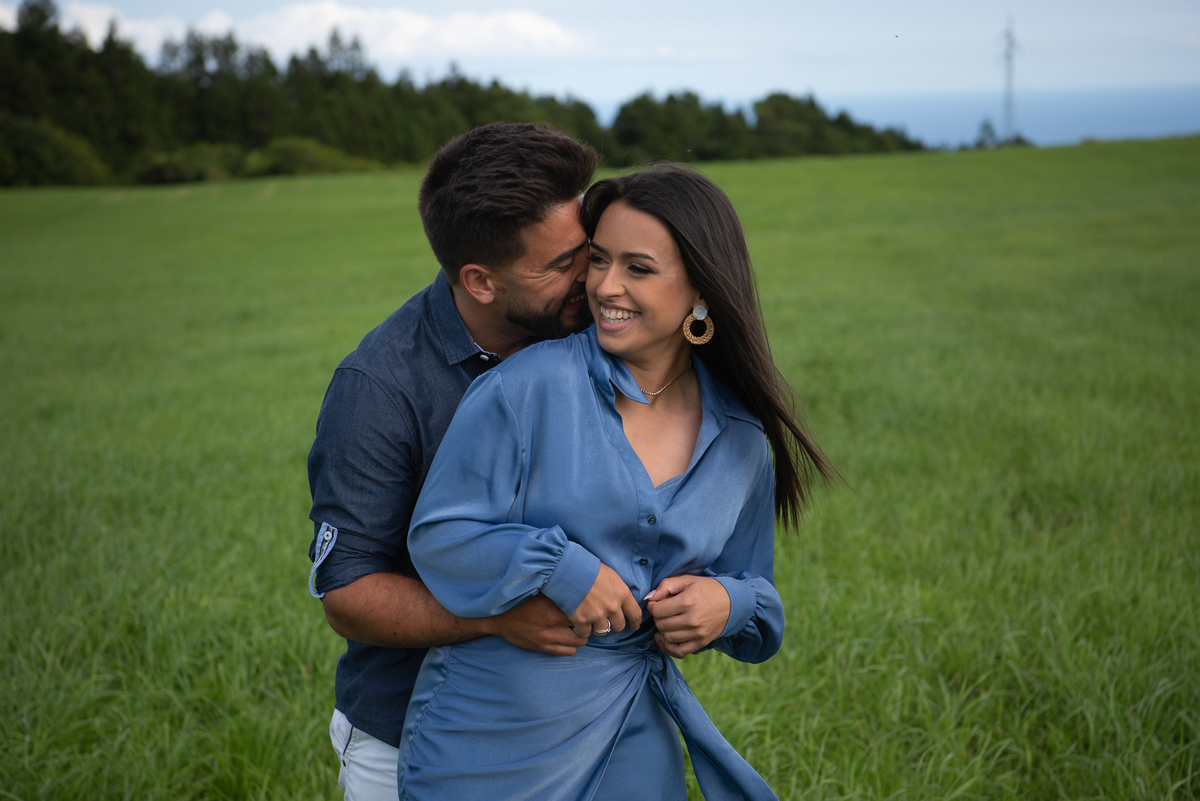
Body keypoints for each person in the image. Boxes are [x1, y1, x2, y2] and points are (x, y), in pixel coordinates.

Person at [400, 164, 832, 800]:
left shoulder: (741, 440)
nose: (604, 285)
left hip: (634, 734)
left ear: (701, 292)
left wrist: (727, 604)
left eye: (638, 267)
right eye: (598, 260)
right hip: (488, 741)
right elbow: (440, 533)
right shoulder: (529, 387)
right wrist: (560, 569)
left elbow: (758, 599)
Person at [306, 122, 602, 800]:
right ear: (481, 280)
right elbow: (348, 593)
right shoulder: (380, 387)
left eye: (587, 251)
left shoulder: (587, 332)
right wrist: (496, 617)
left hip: (569, 728)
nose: (590, 277)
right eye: (561, 266)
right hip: (411, 736)